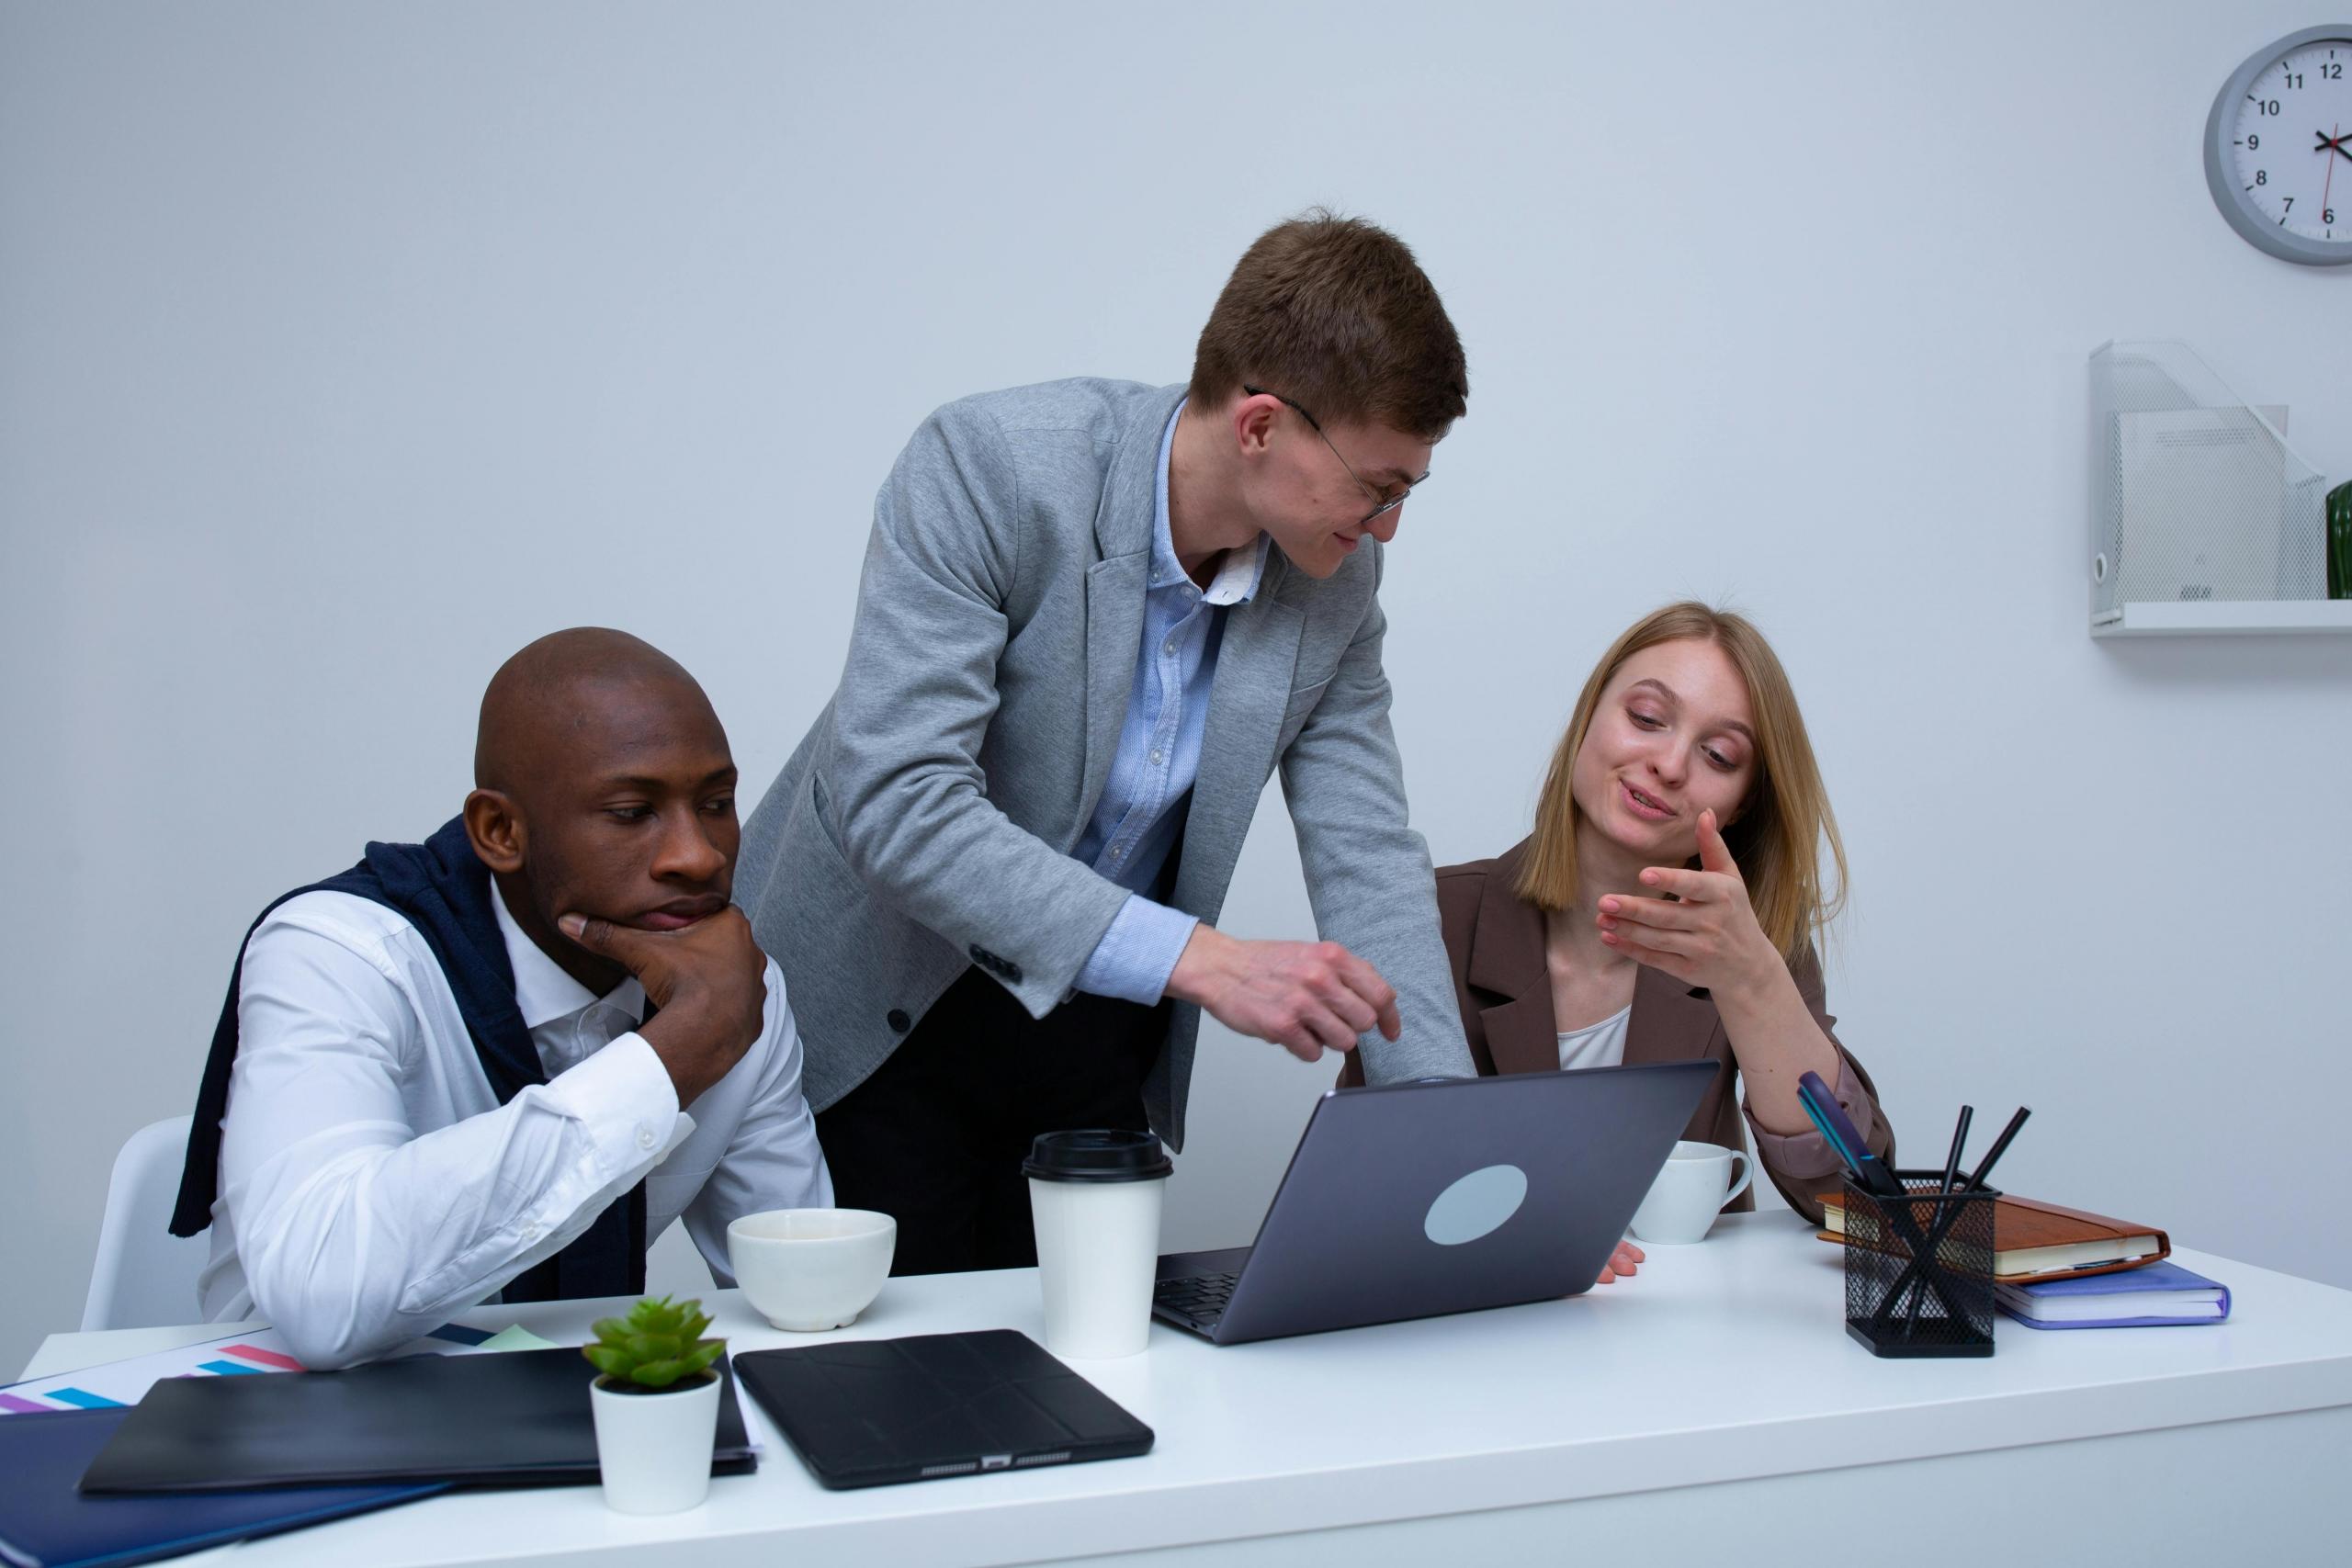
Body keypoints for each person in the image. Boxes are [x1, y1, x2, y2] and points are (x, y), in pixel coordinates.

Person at [735, 211, 1478, 1275]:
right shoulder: (992, 467)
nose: (1388, 528)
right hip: (882, 1014)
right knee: (887, 1397)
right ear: (1261, 426)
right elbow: (896, 803)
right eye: (1377, 487)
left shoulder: (1335, 583)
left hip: (1093, 1032)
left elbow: (1367, 853)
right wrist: (1202, 959)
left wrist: (1446, 1143)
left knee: (1085, 1382)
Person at [171, 628, 831, 1367]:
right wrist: (667, 1061)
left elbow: (798, 1285)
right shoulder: (339, 954)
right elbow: (324, 1297)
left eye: (715, 803)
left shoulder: (731, 986)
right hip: (293, 1422)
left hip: (583, 1429)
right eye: (630, 811)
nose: (699, 854)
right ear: (499, 831)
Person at [1340, 602, 1894, 1279]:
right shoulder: (1427, 916)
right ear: (1588, 720)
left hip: (1681, 1351)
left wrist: (1753, 980)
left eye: (1718, 754)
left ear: (1744, 800)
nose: (1667, 764)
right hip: (1473, 1337)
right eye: (1646, 718)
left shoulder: (1752, 939)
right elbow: (1364, 1185)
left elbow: (1848, 1199)